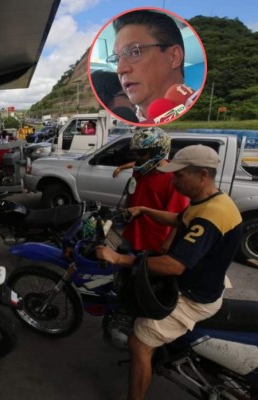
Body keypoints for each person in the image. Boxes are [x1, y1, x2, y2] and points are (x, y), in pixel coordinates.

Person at [96, 144, 243, 400]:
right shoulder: (210, 201)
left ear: (202, 175)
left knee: (138, 343)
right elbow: (178, 219)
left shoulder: (211, 215)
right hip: (200, 280)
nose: (173, 180)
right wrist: (145, 210)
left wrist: (118, 258)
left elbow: (174, 265)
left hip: (194, 296)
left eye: (179, 175)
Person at [113, 127, 188, 254]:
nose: (137, 157)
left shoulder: (173, 178)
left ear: (157, 152)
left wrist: (169, 241)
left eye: (141, 153)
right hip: (133, 234)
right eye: (135, 153)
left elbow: (180, 217)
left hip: (154, 241)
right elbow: (133, 192)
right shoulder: (140, 170)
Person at [107, 9, 185, 122]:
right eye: (117, 59)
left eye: (135, 52)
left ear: (174, 57)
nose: (120, 69)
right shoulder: (128, 126)